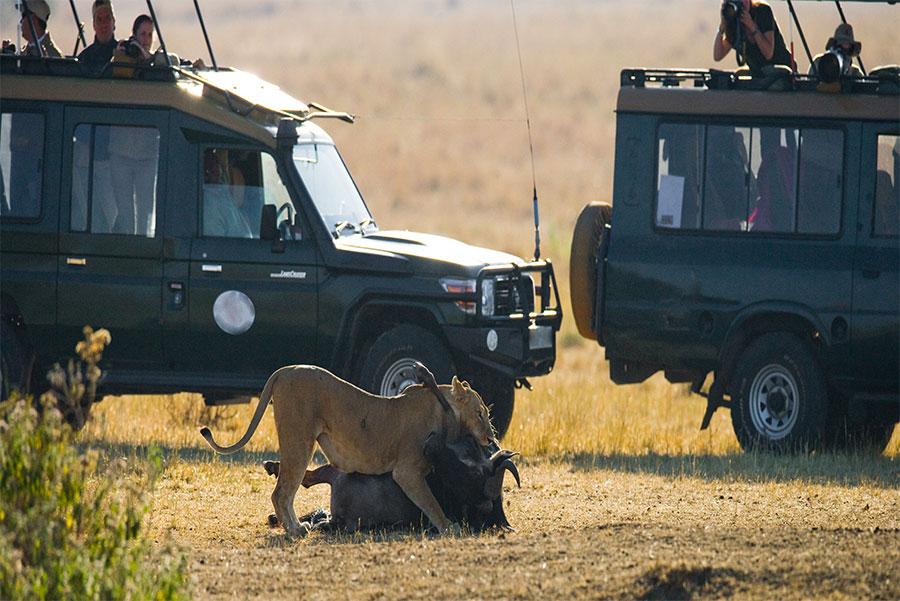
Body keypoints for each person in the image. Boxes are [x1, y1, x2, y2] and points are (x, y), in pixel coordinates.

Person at [713, 0, 791, 76]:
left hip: (780, 70)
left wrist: (751, 25)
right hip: (758, 72)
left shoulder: (762, 11)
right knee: (738, 75)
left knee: (770, 72)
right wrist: (722, 27)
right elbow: (718, 56)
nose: (743, 3)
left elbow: (768, 54)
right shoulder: (734, 23)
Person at [202, 149, 254, 238]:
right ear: (206, 174)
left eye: (219, 166)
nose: (219, 172)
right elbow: (215, 246)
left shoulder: (223, 194)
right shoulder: (210, 205)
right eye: (213, 169)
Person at [77, 0, 117, 73]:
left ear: (113, 21)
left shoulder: (124, 54)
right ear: (94, 25)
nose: (104, 24)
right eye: (99, 19)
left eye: (107, 18)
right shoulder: (84, 58)